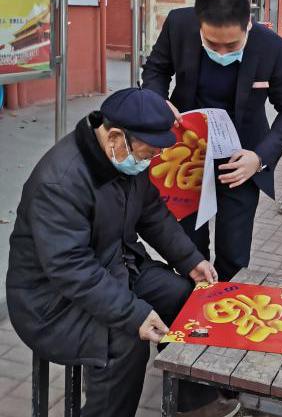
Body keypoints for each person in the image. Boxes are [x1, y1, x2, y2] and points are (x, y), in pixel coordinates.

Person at [6, 88, 239, 417]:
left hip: (115, 266)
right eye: (146, 155)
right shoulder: (60, 182)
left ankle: (192, 403)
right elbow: (72, 270)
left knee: (186, 297)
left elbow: (153, 214)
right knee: (126, 341)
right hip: (51, 300)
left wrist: (191, 260)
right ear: (115, 137)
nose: (147, 162)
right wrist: (133, 314)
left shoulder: (125, 158)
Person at [142, 0, 282, 282]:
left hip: (239, 159)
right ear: (199, 24)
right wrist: (157, 103)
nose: (220, 51)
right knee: (187, 246)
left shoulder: (272, 48)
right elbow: (156, 69)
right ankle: (192, 303)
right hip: (187, 152)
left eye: (231, 46)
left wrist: (259, 158)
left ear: (248, 26)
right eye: (211, 44)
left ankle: (219, 291)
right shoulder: (179, 25)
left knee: (234, 251)